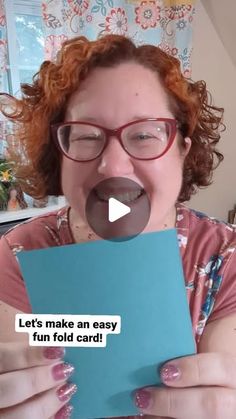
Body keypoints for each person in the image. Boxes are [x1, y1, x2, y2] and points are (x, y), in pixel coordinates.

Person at [0, 34, 236, 419]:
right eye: (87, 137)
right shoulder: (20, 255)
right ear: (58, 156)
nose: (113, 167)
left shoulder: (226, 261)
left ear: (183, 151)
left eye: (143, 135)